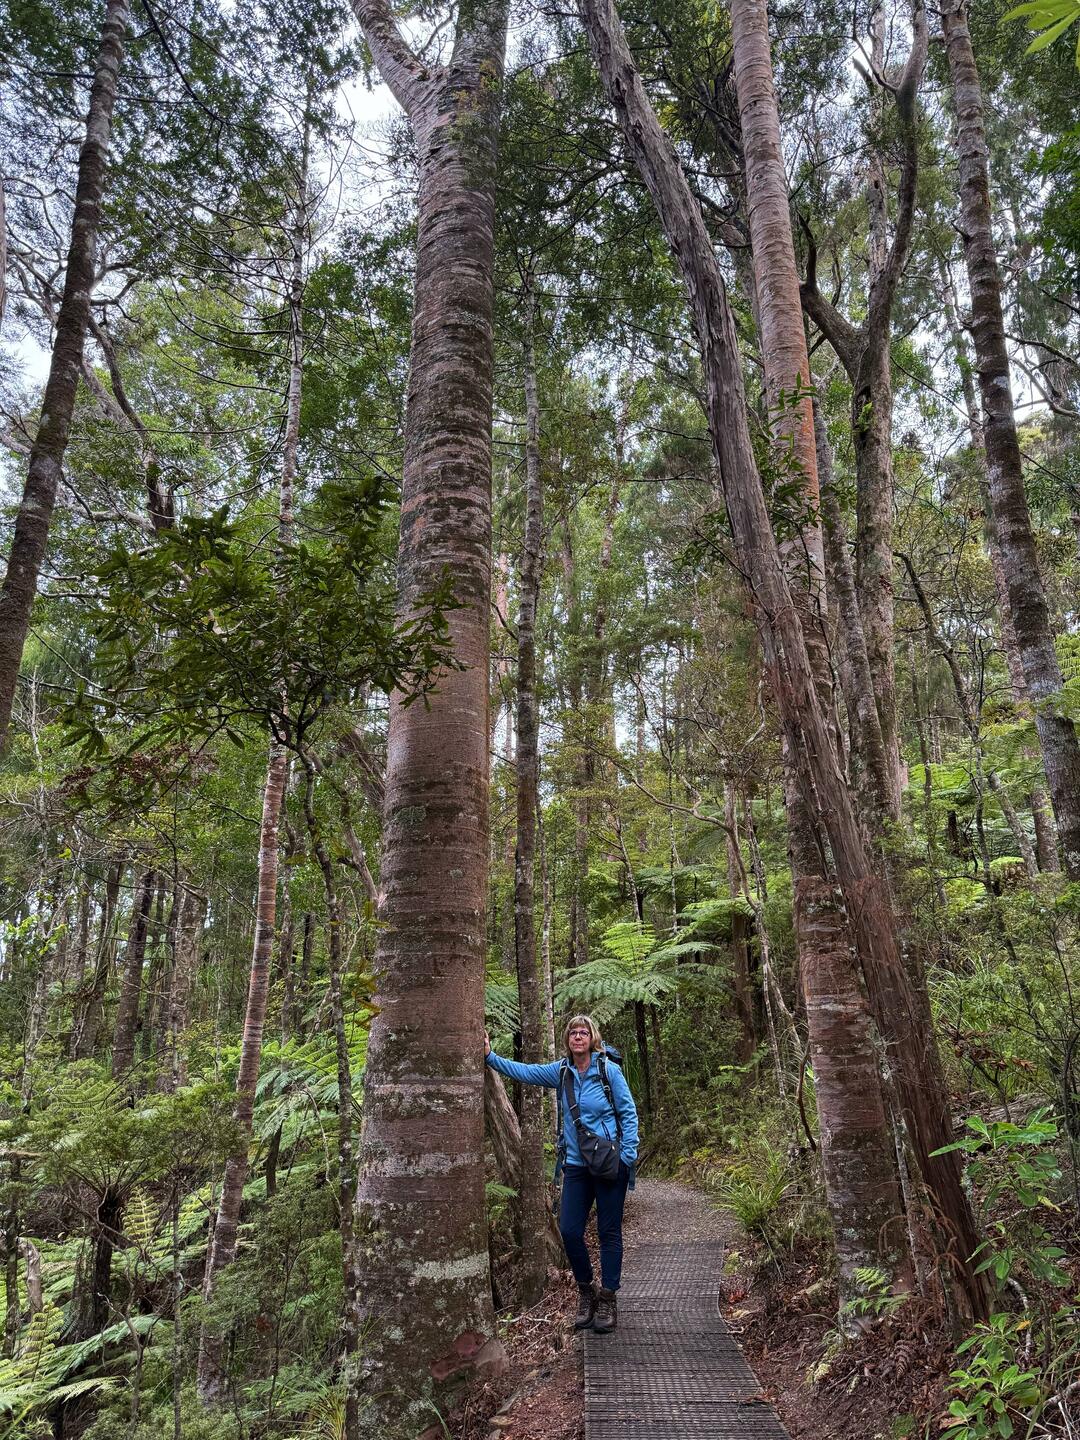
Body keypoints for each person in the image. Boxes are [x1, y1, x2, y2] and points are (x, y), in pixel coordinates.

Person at [485, 1014, 638, 1335]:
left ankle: (608, 1298)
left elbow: (628, 1112)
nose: (578, 1037)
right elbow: (525, 1072)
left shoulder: (609, 1071)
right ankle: (587, 1292)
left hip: (610, 1164)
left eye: (584, 1032)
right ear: (568, 1039)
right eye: (573, 1032)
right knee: (569, 1231)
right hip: (577, 1167)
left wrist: (627, 1156)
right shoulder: (562, 1072)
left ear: (592, 1038)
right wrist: (489, 1057)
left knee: (609, 1232)